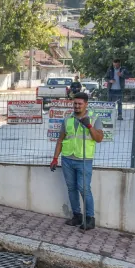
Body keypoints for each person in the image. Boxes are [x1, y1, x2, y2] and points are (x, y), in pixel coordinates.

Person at [50, 92, 104, 231]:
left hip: (84, 160)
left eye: (80, 104)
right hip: (68, 158)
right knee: (71, 188)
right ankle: (77, 216)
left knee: (84, 189)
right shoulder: (68, 119)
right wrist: (55, 158)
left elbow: (99, 138)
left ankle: (90, 219)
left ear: (86, 104)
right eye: (75, 103)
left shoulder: (94, 118)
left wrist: (89, 126)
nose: (77, 106)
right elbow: (61, 139)